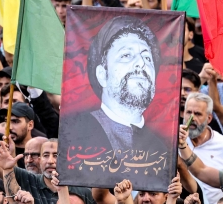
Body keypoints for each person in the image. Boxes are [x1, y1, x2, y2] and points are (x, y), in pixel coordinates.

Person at [64, 15, 168, 155]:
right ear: (102, 75)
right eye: (126, 55)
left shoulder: (161, 147)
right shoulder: (74, 131)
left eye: (147, 57)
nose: (141, 63)